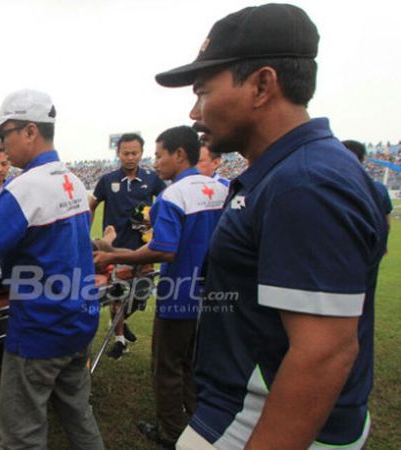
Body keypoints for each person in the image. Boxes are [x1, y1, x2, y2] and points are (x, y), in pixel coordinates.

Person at [155, 4, 387, 448]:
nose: (193, 111)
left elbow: (324, 352)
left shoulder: (305, 184)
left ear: (262, 85)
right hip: (244, 407)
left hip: (253, 420)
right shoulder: (298, 171)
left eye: (203, 92)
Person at [0, 89, 104, 450]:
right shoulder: (72, 180)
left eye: (4, 134)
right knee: (78, 415)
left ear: (30, 132)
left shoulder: (24, 187)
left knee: (20, 434)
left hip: (41, 330)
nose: (1, 146)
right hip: (80, 320)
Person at [94, 126, 227, 449]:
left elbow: (164, 249)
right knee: (193, 364)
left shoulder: (174, 195)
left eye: (159, 154)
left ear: (179, 155)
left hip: (179, 295)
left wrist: (114, 253)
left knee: (166, 366)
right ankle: (198, 424)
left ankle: (170, 432)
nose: (156, 162)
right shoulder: (218, 190)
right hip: (213, 295)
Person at [89, 133, 165, 359]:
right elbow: (91, 205)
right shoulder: (107, 180)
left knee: (140, 297)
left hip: (143, 249)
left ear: (142, 153)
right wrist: (86, 232)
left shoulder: (152, 179)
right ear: (118, 153)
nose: (130, 157)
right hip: (114, 250)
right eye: (125, 153)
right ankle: (120, 341)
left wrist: (152, 221)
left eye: (134, 153)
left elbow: (167, 204)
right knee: (117, 295)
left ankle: (121, 321)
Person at [343, 139, 393, 234]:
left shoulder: (325, 185)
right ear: (363, 158)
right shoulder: (379, 188)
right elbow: (386, 223)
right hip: (369, 244)